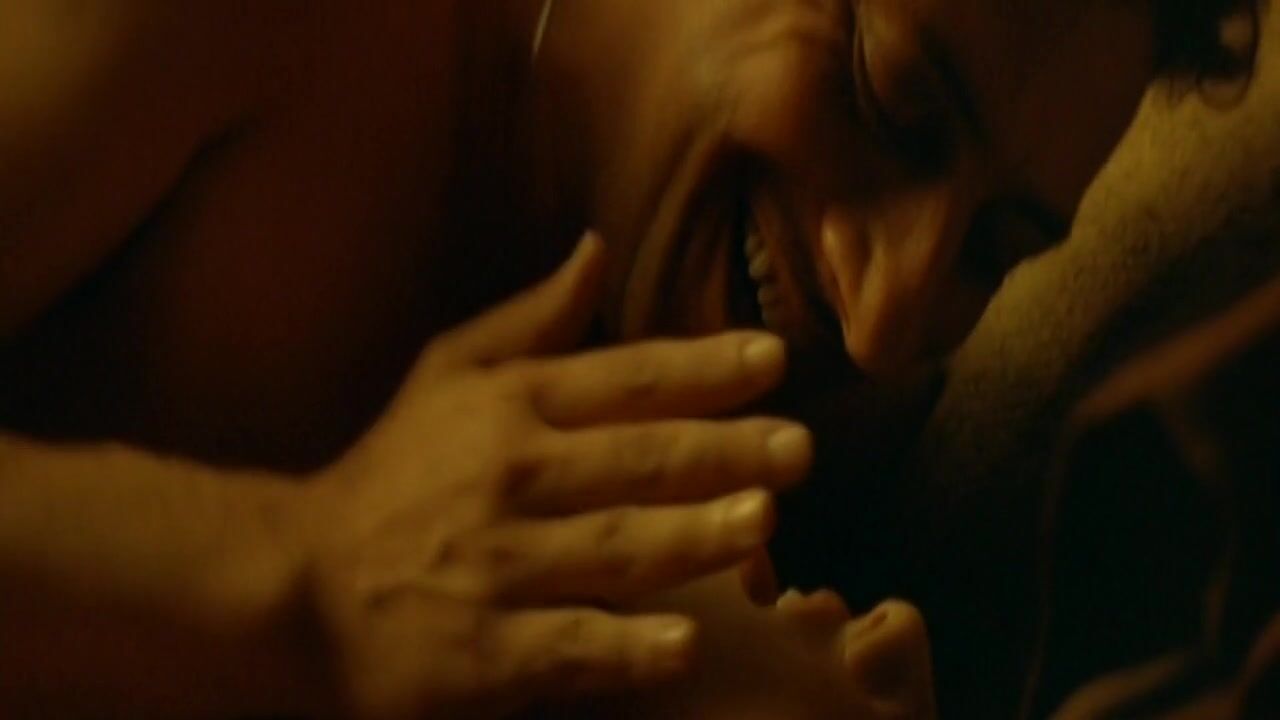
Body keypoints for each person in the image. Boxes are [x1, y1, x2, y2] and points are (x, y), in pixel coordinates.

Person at [0, 0, 1260, 716]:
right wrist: (306, 587)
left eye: (994, 248)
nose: (885, 321)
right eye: (888, 103)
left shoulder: (824, 429)